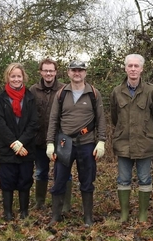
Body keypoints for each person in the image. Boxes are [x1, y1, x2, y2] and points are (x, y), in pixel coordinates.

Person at [46, 60, 106, 226]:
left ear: (85, 73)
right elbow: (53, 120)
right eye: (74, 70)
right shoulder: (61, 94)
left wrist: (101, 141)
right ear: (68, 72)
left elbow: (101, 119)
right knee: (59, 179)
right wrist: (50, 143)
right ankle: (56, 215)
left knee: (87, 180)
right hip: (65, 143)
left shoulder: (93, 93)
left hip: (87, 143)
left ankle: (88, 217)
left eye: (80, 70)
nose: (77, 73)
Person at [110, 54, 153, 223]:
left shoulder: (151, 91)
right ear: (125, 68)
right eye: (130, 66)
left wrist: (145, 129)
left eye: (136, 66)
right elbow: (114, 117)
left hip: (144, 143)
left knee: (145, 179)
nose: (133, 69)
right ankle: (124, 213)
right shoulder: (117, 91)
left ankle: (142, 214)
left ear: (141, 69)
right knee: (123, 179)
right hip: (123, 143)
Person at [0, 63, 38, 220]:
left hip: (26, 147)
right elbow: (0, 123)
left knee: (25, 178)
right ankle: (7, 212)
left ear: (23, 77)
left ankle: (24, 211)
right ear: (8, 77)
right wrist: (13, 143)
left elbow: (34, 123)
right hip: (7, 147)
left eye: (19, 76)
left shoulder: (30, 97)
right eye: (13, 76)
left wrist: (22, 142)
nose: (16, 79)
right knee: (7, 179)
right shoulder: (1, 98)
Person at [29, 58, 72, 212]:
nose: (48, 73)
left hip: (61, 139)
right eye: (45, 70)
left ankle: (65, 204)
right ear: (40, 71)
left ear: (56, 72)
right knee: (41, 171)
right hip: (39, 139)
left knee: (64, 173)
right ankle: (39, 202)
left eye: (51, 70)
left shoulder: (65, 89)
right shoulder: (33, 90)